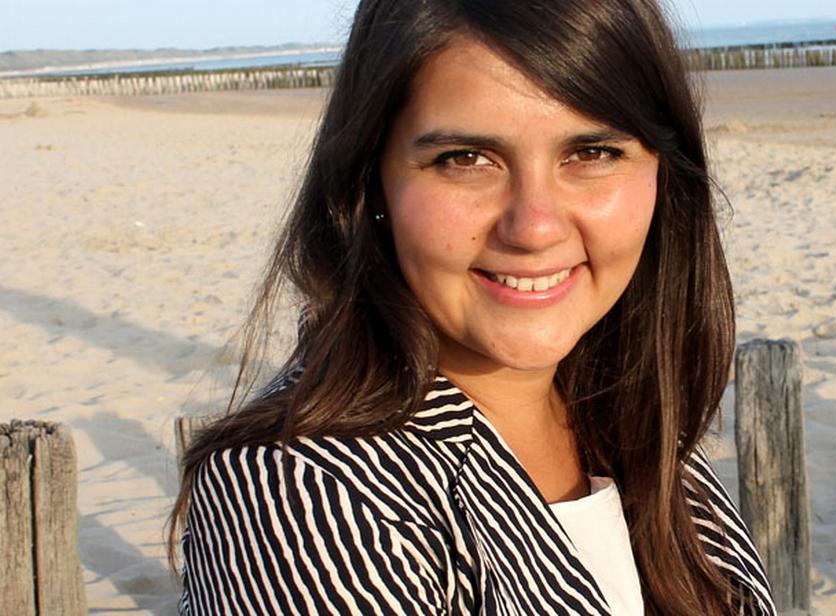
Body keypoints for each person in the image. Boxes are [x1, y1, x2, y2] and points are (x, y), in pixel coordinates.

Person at [167, 1, 776, 614]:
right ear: (371, 182)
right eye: (465, 159)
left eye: (591, 153)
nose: (534, 227)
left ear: (664, 176)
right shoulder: (304, 498)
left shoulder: (635, 421)